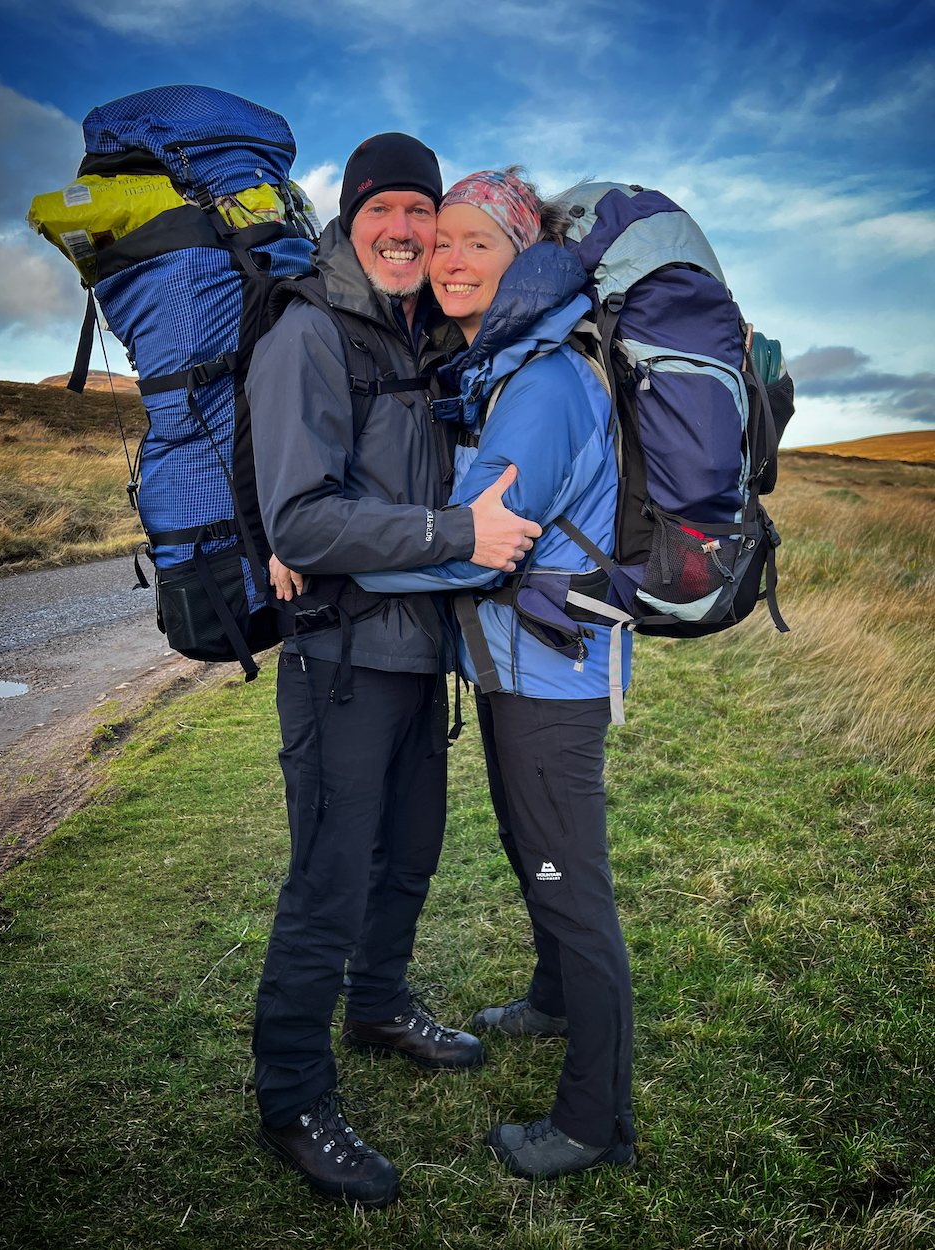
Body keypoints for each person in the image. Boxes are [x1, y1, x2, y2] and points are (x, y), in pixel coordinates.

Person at [246, 135, 542, 1209]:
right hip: (339, 656)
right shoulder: (311, 333)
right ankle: (291, 1094)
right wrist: (453, 528)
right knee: (329, 877)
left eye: (424, 209)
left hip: (417, 650)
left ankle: (376, 1004)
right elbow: (303, 517)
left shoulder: (415, 335)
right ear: (350, 213)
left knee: (408, 851)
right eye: (387, 209)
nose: (408, 229)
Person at [354, 169, 637, 1180]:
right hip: (522, 662)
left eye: (479, 240)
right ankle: (553, 1000)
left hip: (550, 679)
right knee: (533, 854)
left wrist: (335, 550)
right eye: (444, 243)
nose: (452, 259)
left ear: (524, 257)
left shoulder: (543, 383)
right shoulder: (506, 366)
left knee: (571, 887)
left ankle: (595, 1121)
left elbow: (478, 545)